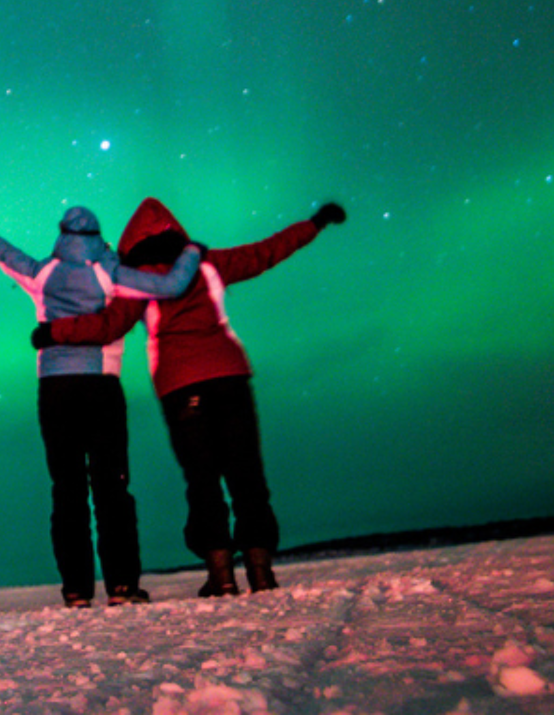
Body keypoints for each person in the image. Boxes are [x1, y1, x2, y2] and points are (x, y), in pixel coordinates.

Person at [34, 198, 346, 597]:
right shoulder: (208, 263)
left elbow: (108, 325)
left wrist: (56, 333)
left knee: (203, 478)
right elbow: (267, 252)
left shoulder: (136, 280)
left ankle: (221, 575)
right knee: (246, 472)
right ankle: (260, 569)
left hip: (180, 383)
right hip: (230, 375)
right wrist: (315, 222)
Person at [0, 199, 203, 608]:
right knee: (112, 487)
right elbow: (172, 286)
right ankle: (121, 585)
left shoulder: (43, 273)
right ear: (96, 236)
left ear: (62, 235)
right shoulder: (111, 272)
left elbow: (3, 251)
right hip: (100, 386)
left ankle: (76, 590)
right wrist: (192, 253)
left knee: (66, 488)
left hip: (54, 390)